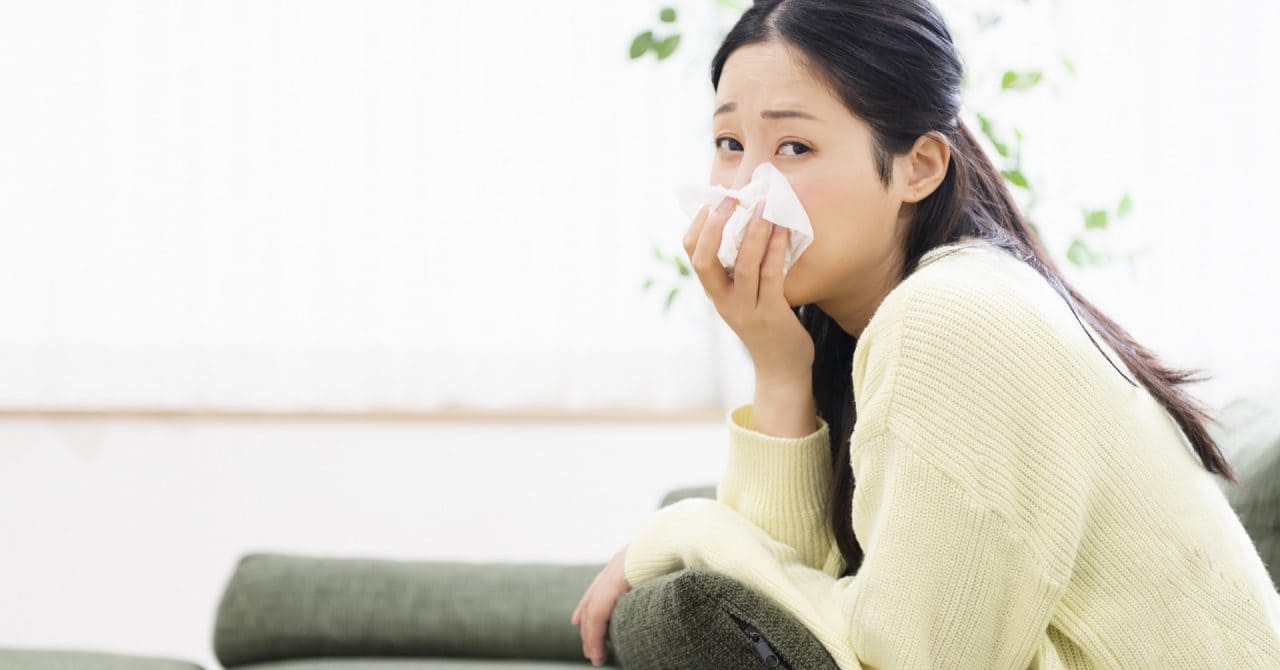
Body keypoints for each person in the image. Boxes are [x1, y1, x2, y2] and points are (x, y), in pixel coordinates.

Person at [571, 0, 1280, 667]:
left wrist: (684, 530)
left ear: (920, 167)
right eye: (729, 143)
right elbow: (782, 636)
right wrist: (779, 367)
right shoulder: (891, 319)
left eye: (793, 146)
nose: (748, 190)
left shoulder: (952, 314)